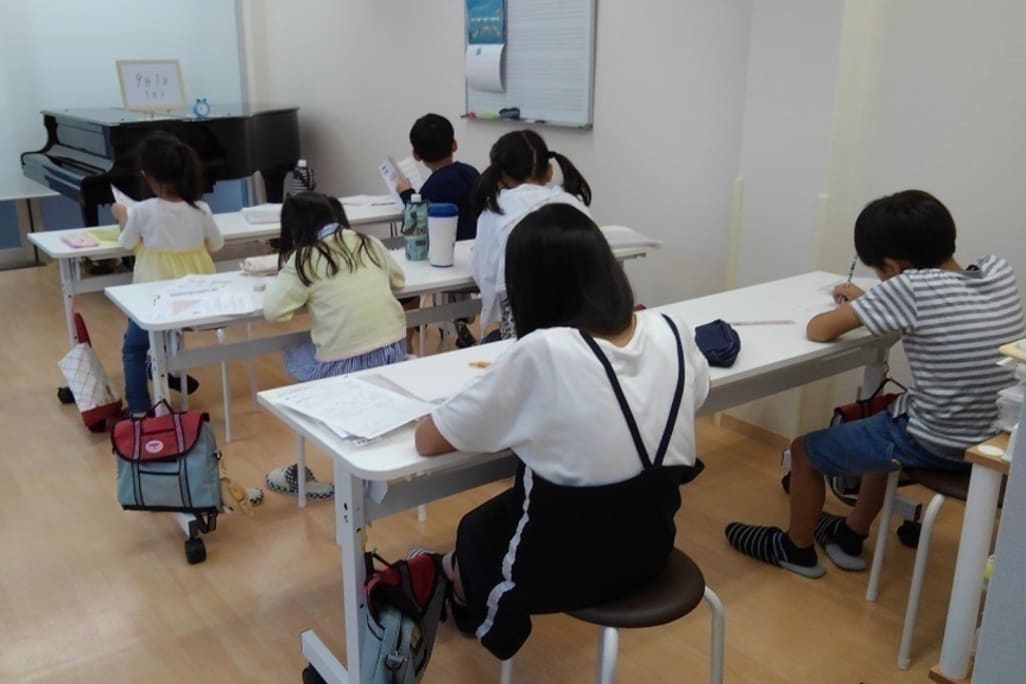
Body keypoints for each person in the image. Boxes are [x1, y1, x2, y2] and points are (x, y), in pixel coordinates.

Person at [413, 203, 710, 660]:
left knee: (474, 530)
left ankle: (464, 598)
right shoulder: (673, 329)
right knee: (494, 519)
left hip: (568, 566)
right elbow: (698, 394)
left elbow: (430, 440)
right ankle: (459, 583)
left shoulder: (543, 352)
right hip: (650, 547)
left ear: (530, 286)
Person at [725, 189, 1025, 578]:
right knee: (883, 420)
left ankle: (795, 549)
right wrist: (876, 297)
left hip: (940, 441)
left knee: (804, 451)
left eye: (880, 272)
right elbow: (933, 299)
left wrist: (867, 300)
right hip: (996, 439)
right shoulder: (999, 272)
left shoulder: (908, 289)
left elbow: (820, 329)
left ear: (893, 267)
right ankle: (850, 534)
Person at [263, 192, 407, 499]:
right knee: (322, 340)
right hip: (394, 352)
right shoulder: (369, 242)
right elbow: (399, 282)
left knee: (293, 351)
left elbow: (274, 312)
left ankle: (330, 423)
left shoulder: (304, 259)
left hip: (345, 363)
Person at [113, 132, 224, 416]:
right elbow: (217, 244)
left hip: (154, 296)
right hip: (196, 296)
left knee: (133, 349)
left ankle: (139, 410)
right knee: (162, 338)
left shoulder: (143, 210)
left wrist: (122, 217)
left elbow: (126, 243)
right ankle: (164, 370)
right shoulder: (202, 209)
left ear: (148, 176)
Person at [471, 129, 592, 340]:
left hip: (521, 335)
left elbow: (483, 274)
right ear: (549, 171)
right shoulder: (573, 203)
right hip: (582, 332)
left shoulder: (495, 211)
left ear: (502, 176)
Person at [395, 113, 480, 349]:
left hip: (445, 261)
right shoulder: (471, 173)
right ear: (454, 144)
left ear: (416, 155)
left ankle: (406, 342)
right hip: (475, 255)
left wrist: (406, 194)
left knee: (404, 281)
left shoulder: (433, 187)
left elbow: (417, 220)